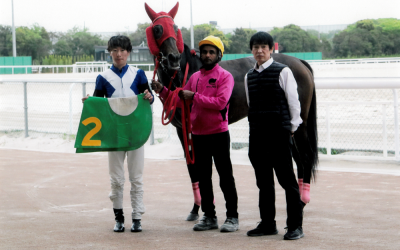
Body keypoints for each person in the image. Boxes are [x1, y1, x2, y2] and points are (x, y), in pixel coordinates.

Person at [151, 36, 239, 233]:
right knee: (204, 177)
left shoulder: (225, 76)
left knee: (225, 176)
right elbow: (180, 98)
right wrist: (163, 91)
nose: (207, 55)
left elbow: (221, 102)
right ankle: (209, 216)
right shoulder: (195, 78)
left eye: (211, 52)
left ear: (219, 55)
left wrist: (195, 97)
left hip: (218, 133)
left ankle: (232, 217)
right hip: (198, 134)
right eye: (205, 52)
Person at [81, 35, 154, 233]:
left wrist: (150, 95)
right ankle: (119, 218)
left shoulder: (138, 74)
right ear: (110, 53)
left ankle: (137, 217)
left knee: (136, 177)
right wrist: (89, 102)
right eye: (115, 50)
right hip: (114, 134)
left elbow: (149, 98)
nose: (119, 54)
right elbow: (98, 104)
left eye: (122, 50)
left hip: (135, 133)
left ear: (128, 52)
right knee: (116, 178)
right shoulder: (103, 77)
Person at [244, 32, 304, 240]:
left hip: (279, 134)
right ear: (251, 50)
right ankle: (268, 223)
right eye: (255, 47)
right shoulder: (248, 76)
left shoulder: (283, 71)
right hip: (257, 136)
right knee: (264, 183)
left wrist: (291, 128)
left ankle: (295, 226)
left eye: (263, 47)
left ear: (271, 49)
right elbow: (251, 106)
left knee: (288, 181)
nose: (259, 51)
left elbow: (294, 103)